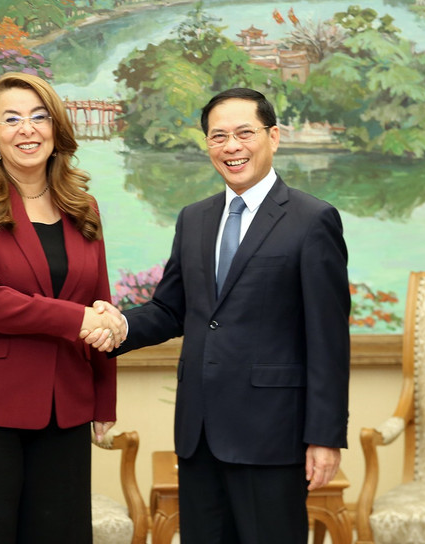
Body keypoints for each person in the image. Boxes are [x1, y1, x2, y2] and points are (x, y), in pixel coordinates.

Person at [85, 87, 350, 543]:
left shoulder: (312, 220)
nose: (231, 146)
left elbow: (328, 338)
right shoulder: (194, 219)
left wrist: (324, 437)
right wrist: (120, 325)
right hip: (199, 432)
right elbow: (171, 309)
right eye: (218, 136)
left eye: (244, 133)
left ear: (274, 137)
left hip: (272, 436)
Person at [0, 72, 125, 544]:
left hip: (65, 407)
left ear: (56, 129)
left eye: (39, 117)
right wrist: (79, 319)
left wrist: (103, 398)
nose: (27, 129)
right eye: (11, 119)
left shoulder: (84, 207)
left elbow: (99, 300)